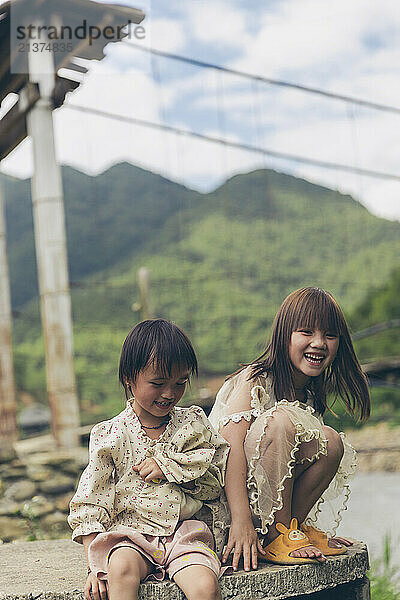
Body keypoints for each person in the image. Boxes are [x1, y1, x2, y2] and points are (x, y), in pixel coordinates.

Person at [209, 287, 370, 572]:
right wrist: (241, 519)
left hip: (262, 507)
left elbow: (288, 472)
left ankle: (291, 531)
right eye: (306, 332)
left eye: (329, 335)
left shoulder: (308, 393)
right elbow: (228, 451)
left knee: (330, 441)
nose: (319, 343)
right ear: (284, 335)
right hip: (230, 501)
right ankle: (277, 535)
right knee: (282, 421)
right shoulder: (256, 379)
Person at [69, 319, 230, 600]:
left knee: (205, 586)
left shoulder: (193, 425)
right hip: (131, 536)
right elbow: (91, 502)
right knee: (119, 569)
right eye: (157, 384)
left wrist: (170, 468)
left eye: (180, 382)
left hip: (186, 535)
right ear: (130, 378)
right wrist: (95, 567)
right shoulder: (111, 435)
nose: (169, 393)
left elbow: (214, 487)